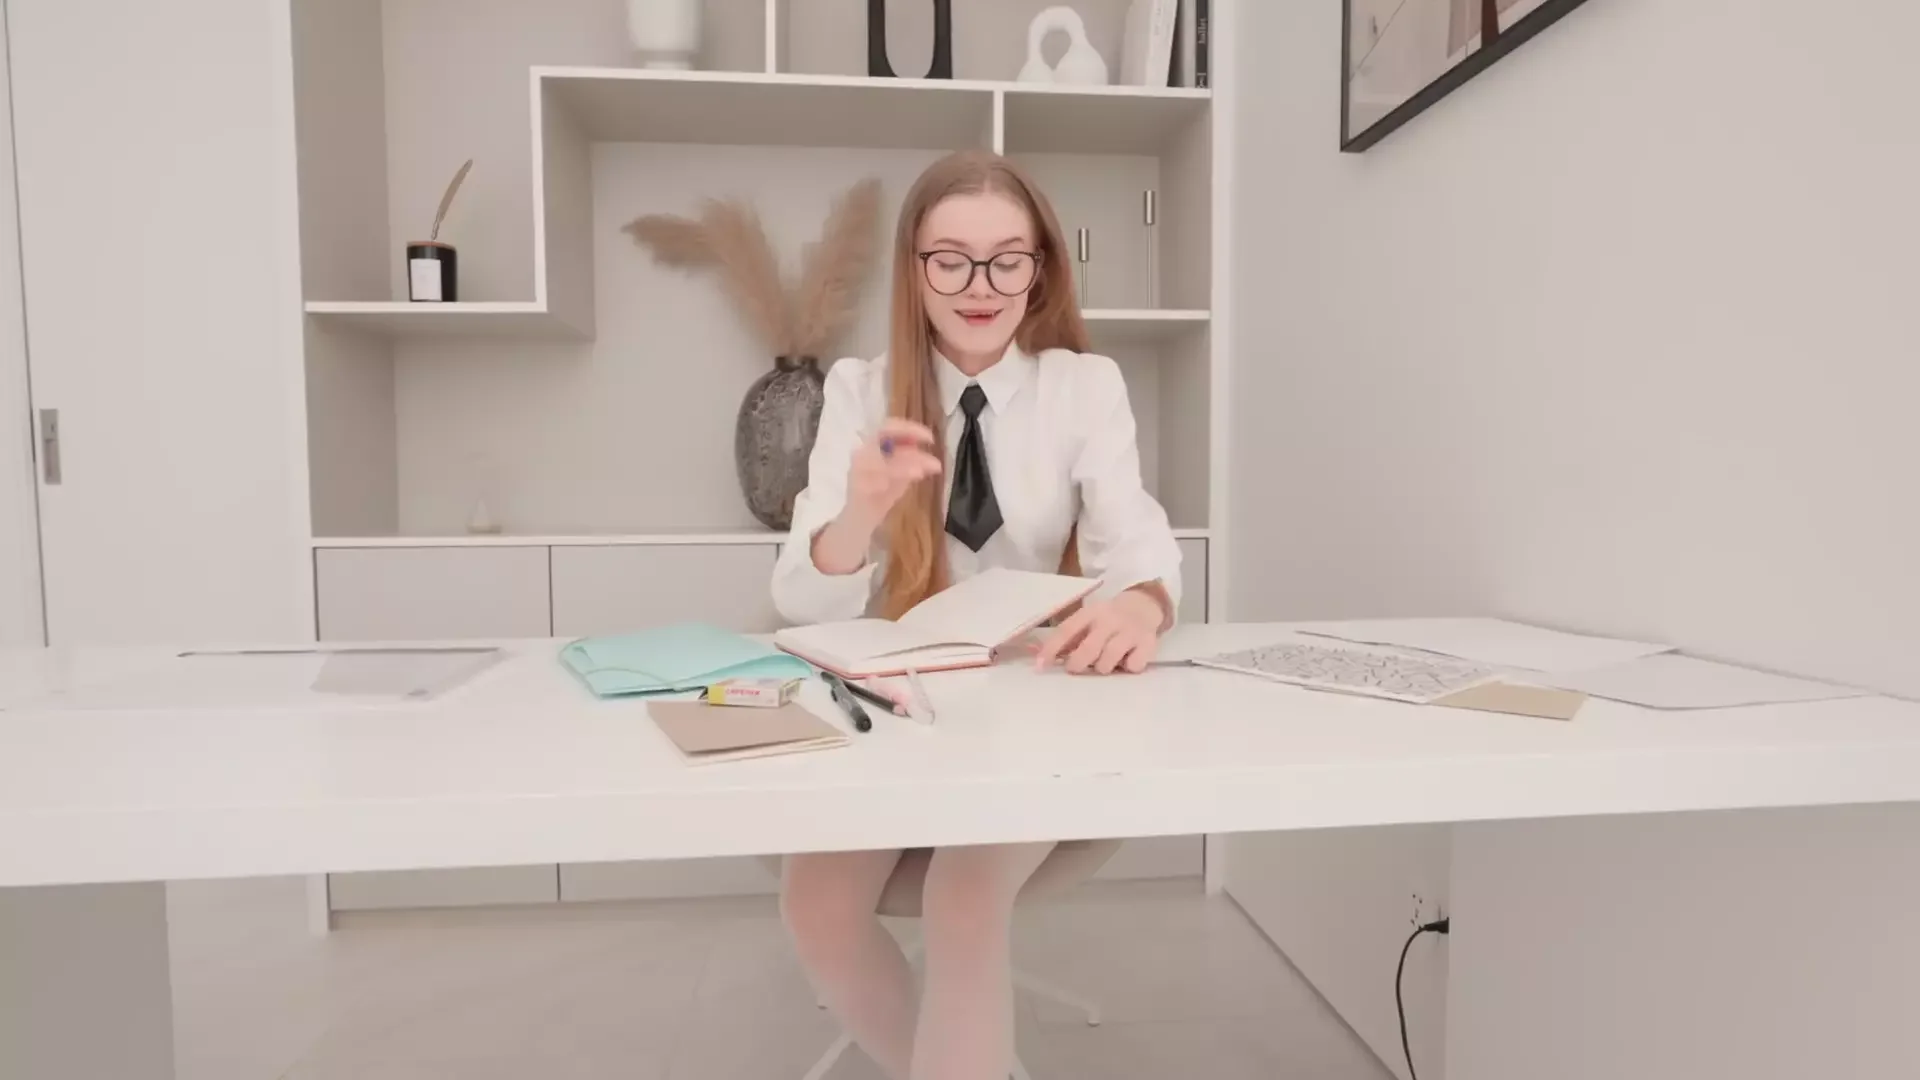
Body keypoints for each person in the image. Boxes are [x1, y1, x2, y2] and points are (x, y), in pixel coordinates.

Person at [767, 148, 1184, 1080]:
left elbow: (1137, 545)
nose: (979, 286)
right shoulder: (859, 391)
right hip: (901, 707)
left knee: (963, 901)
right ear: (915, 270)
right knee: (815, 905)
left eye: (1006, 259)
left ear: (1040, 269)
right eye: (950, 259)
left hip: (1036, 701)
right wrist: (859, 514)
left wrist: (1142, 605)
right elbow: (798, 598)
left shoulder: (1084, 387)